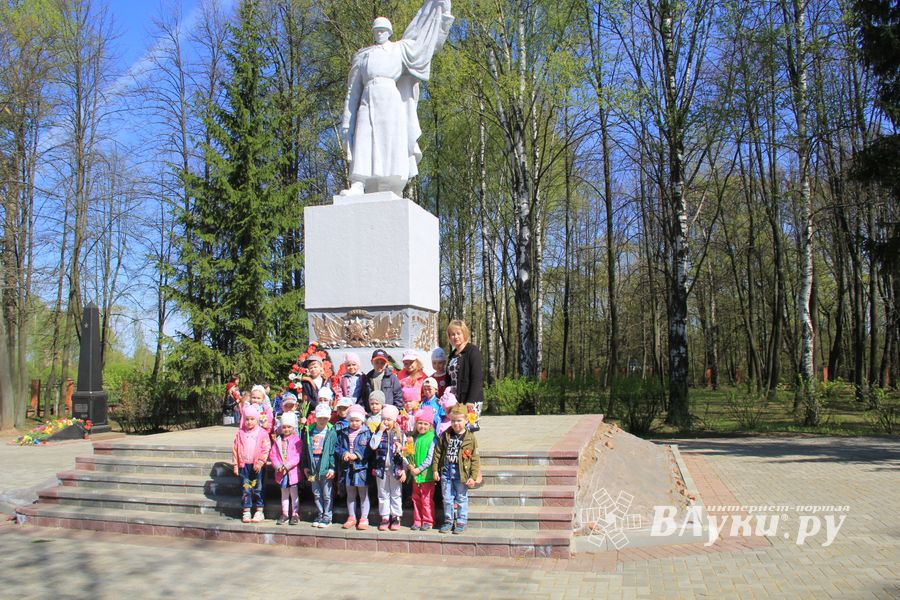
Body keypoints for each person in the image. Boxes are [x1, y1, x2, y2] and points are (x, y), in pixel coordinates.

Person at [339, 0, 454, 197]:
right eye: (377, 30)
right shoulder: (363, 56)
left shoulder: (400, 50)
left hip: (391, 100)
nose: (380, 33)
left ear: (390, 32)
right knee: (364, 138)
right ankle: (358, 183)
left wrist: (441, 14)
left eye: (383, 30)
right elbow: (353, 91)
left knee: (390, 140)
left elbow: (424, 46)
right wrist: (347, 120)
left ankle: (390, 184)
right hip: (368, 99)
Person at [433, 405, 481, 534]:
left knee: (461, 497)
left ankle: (461, 521)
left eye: (459, 420)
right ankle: (449, 520)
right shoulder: (446, 435)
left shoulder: (470, 438)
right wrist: (435, 470)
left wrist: (473, 476)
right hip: (446, 471)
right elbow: (438, 453)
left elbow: (475, 459)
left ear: (466, 420)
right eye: (453, 420)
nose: (456, 424)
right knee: (447, 498)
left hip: (462, 472)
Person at [369, 404, 406, 531]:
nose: (386, 422)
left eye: (389, 419)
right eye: (384, 419)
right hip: (381, 469)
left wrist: (404, 470)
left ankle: (396, 516)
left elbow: (406, 454)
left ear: (394, 420)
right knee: (383, 493)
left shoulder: (400, 433)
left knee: (395, 493)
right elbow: (373, 446)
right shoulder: (378, 432)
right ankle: (385, 517)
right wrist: (379, 431)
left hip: (396, 468)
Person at [232, 404, 271, 523]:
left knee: (258, 488)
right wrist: (235, 465)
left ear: (257, 419)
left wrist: (260, 462)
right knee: (246, 488)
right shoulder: (240, 433)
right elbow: (235, 449)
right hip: (244, 466)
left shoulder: (262, 433)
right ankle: (246, 510)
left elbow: (266, 448)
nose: (249, 422)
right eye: (247, 419)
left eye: (252, 419)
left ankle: (259, 510)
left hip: (257, 466)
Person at [336, 404, 372, 530]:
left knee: (363, 495)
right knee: (350, 495)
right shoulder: (344, 432)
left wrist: (357, 455)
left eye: (357, 420)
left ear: (362, 420)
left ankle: (364, 518)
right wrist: (344, 453)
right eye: (352, 420)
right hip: (348, 468)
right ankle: (351, 517)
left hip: (361, 468)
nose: (354, 423)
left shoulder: (367, 433)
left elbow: (369, 449)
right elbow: (338, 446)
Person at [303, 403, 337, 528]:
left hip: (325, 464)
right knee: (316, 492)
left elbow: (333, 451)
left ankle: (327, 516)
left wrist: (332, 468)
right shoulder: (309, 431)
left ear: (328, 418)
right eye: (320, 418)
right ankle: (320, 513)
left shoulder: (331, 431)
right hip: (313, 465)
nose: (322, 420)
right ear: (316, 417)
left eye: (325, 418)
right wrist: (306, 465)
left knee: (327, 493)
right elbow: (305, 450)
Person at [446, 319, 484, 431]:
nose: (455, 337)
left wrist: (471, 400)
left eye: (458, 333)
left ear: (464, 334)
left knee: (468, 431)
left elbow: (477, 378)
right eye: (452, 334)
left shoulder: (472, 351)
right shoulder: (453, 354)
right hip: (455, 400)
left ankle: (471, 449)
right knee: (457, 431)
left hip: (469, 400)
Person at [270, 411, 303, 526]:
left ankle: (295, 513)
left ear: (293, 427)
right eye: (284, 427)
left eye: (289, 427)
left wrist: (288, 465)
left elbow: (297, 455)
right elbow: (273, 454)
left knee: (294, 493)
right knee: (284, 493)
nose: (287, 429)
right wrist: (278, 466)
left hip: (292, 472)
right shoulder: (278, 440)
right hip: (281, 472)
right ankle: (284, 513)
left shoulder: (296, 440)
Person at [406, 407, 436, 531]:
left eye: (425, 424)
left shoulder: (432, 438)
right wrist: (410, 465)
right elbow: (410, 454)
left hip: (426, 475)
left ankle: (428, 520)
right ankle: (418, 520)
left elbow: (430, 458)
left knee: (426, 499)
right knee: (416, 498)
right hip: (415, 475)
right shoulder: (415, 437)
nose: (422, 426)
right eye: (420, 423)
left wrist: (419, 469)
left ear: (430, 425)